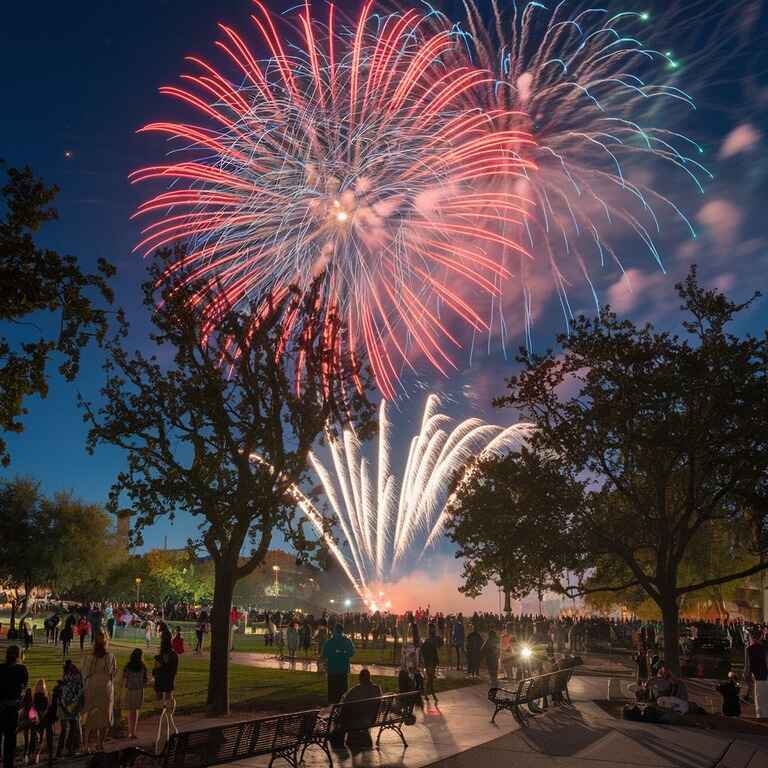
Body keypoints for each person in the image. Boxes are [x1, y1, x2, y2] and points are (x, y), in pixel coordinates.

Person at [81, 630, 116, 753]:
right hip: (105, 687)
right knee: (106, 716)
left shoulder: (89, 657)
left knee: (89, 715)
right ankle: (100, 743)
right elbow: (113, 673)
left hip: (91, 686)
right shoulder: (110, 657)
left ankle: (85, 744)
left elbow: (84, 673)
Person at [331, 669, 382, 750]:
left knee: (344, 712)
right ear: (369, 677)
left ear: (360, 678)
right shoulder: (376, 689)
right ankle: (343, 735)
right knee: (348, 711)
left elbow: (345, 700)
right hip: (372, 718)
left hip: (360, 719)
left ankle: (338, 736)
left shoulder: (357, 689)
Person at [0, 645, 29, 768]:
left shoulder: (1, 668)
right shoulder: (21, 669)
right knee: (10, 739)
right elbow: (23, 687)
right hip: (12, 708)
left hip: (1, 706)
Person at [153, 633, 179, 754]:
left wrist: (157, 670)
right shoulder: (174, 656)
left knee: (159, 697)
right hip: (169, 679)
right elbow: (175, 669)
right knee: (169, 696)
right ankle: (168, 714)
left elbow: (155, 670)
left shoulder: (159, 657)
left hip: (160, 680)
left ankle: (160, 713)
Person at [321, 624, 356, 703]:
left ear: (334, 631)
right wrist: (344, 653)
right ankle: (341, 708)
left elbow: (324, 655)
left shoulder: (329, 642)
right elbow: (352, 652)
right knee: (342, 692)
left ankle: (332, 707)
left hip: (332, 670)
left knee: (332, 692)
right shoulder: (347, 641)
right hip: (343, 670)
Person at [56, 662, 83, 758]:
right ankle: (70, 749)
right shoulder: (77, 678)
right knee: (73, 728)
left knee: (64, 730)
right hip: (71, 706)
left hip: (63, 706)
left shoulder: (65, 677)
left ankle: (59, 751)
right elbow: (79, 692)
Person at [122, 649, 148, 740]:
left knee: (130, 711)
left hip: (129, 690)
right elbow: (145, 681)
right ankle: (133, 732)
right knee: (135, 711)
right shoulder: (143, 667)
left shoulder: (128, 666)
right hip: (138, 691)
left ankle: (130, 731)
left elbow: (124, 679)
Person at [745, 628, 768, 718]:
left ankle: (761, 716)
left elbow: (747, 665)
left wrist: (746, 675)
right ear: (761, 637)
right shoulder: (764, 648)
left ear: (751, 637)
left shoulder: (749, 649)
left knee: (758, 697)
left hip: (756, 675)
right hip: (765, 674)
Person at [420, 626, 440, 703]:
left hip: (429, 663)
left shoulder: (427, 642)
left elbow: (423, 651)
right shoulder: (431, 642)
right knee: (430, 679)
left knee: (430, 679)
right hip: (431, 663)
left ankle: (427, 695)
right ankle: (431, 695)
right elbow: (434, 654)